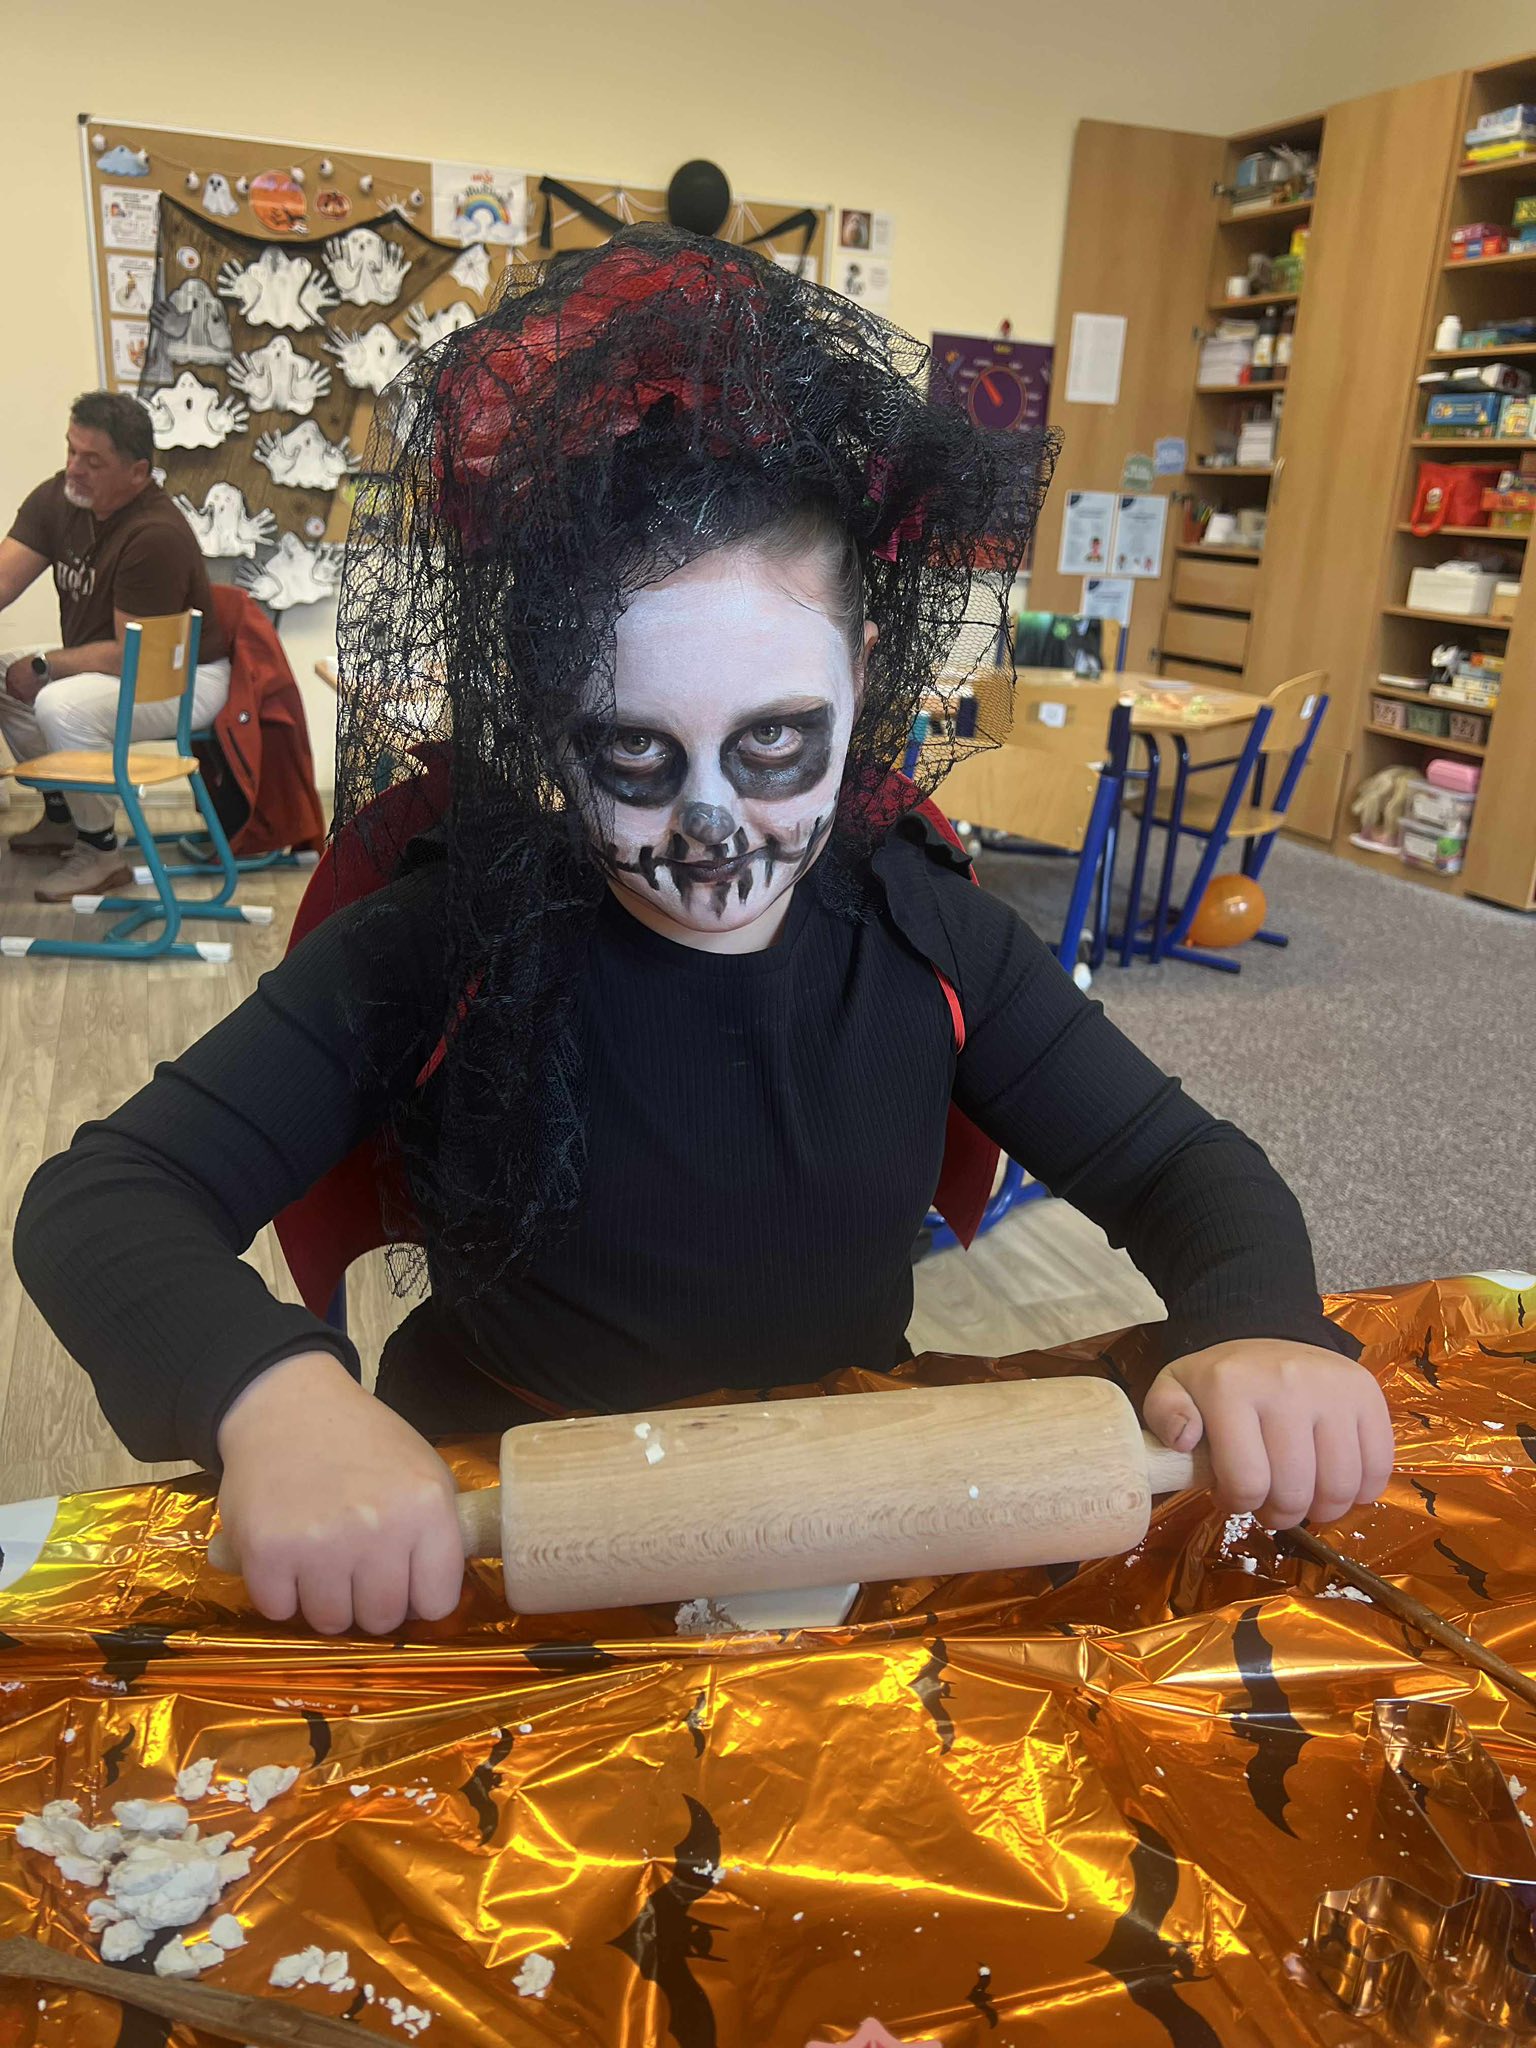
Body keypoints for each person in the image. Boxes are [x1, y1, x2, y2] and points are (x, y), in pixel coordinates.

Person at [14, 231, 1394, 1639]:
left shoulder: (933, 937)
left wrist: (1256, 1317)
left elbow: (1179, 1164)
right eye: (633, 751)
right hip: (505, 1539)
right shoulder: (437, 942)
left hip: (838, 1523)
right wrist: (272, 1395)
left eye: (777, 740)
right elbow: (104, 1199)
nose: (713, 826)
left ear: (861, 680)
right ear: (545, 710)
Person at [0, 390, 231, 901]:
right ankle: (62, 816)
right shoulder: (60, 497)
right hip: (112, 662)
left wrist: (44, 665)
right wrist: (40, 667)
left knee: (60, 704)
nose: (74, 469)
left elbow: (131, 656)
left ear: (137, 472)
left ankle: (101, 851)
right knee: (3, 675)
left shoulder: (154, 534)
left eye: (93, 461)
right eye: (71, 450)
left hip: (184, 677)